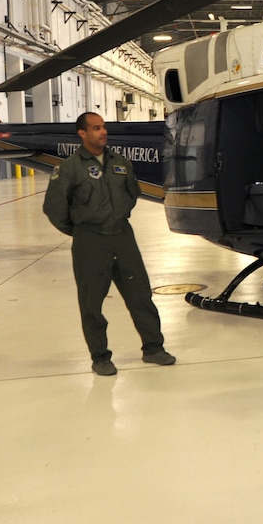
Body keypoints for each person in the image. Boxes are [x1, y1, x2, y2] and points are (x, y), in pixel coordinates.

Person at [43, 112, 175, 376]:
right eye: (96, 128)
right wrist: (82, 230)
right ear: (82, 133)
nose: (102, 132)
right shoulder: (69, 168)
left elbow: (132, 195)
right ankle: (100, 357)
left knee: (140, 294)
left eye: (103, 127)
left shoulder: (121, 163)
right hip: (90, 240)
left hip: (122, 236)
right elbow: (54, 208)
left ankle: (153, 348)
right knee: (92, 302)